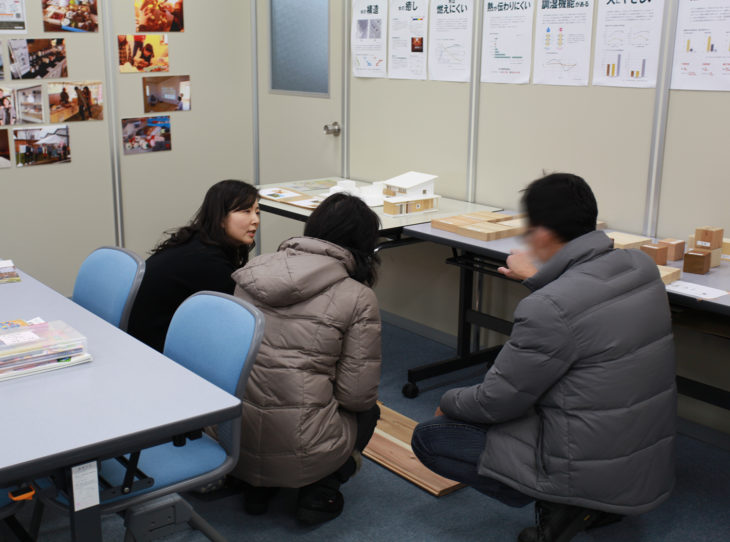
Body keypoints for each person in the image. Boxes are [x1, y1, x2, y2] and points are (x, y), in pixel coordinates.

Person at [411, 173, 676, 542]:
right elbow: (585, 308)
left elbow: (494, 403)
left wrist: (448, 401)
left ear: (543, 234)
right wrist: (541, 278)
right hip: (640, 452)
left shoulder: (548, 308)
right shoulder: (641, 266)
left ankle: (562, 505)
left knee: (431, 437)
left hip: (583, 463)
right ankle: (594, 504)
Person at [232, 193, 382, 525]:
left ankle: (257, 486)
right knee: (369, 410)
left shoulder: (253, 270)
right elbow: (356, 395)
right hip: (303, 446)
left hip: (233, 438)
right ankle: (319, 490)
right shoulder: (358, 297)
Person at [127, 180, 259, 352]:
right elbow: (234, 319)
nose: (255, 220)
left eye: (257, 211)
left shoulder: (195, 240)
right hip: (154, 350)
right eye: (245, 211)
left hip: (140, 336)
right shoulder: (208, 262)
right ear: (220, 217)